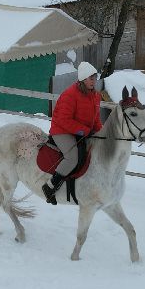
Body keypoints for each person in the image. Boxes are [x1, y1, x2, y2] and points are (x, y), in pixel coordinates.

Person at [43, 61, 103, 203]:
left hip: (80, 131)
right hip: (61, 130)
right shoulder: (70, 95)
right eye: (91, 78)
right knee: (72, 157)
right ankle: (50, 186)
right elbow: (63, 120)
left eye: (95, 78)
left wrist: (102, 133)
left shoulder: (96, 96)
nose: (94, 81)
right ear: (83, 79)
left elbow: (95, 119)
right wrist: (85, 130)